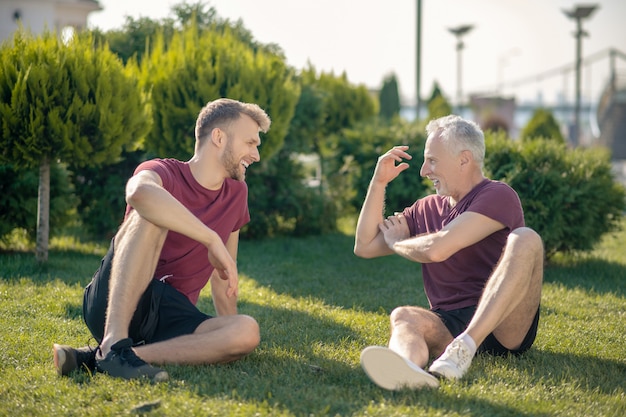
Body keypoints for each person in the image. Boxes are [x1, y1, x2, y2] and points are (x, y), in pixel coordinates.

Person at [53, 98, 271, 381]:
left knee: (246, 330)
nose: (255, 154)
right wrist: (210, 239)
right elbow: (139, 194)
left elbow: (222, 275)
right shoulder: (163, 171)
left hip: (170, 313)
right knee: (151, 212)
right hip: (114, 301)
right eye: (250, 143)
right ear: (219, 137)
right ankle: (113, 342)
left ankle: (104, 357)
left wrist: (225, 334)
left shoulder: (237, 193)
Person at [354, 115, 543, 390]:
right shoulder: (426, 208)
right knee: (403, 316)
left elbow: (438, 248)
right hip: (450, 322)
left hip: (504, 323)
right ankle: (405, 369)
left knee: (526, 238)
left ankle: (465, 348)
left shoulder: (498, 195)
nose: (423, 171)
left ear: (464, 160)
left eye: (432, 160)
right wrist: (379, 182)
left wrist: (396, 243)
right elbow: (365, 246)